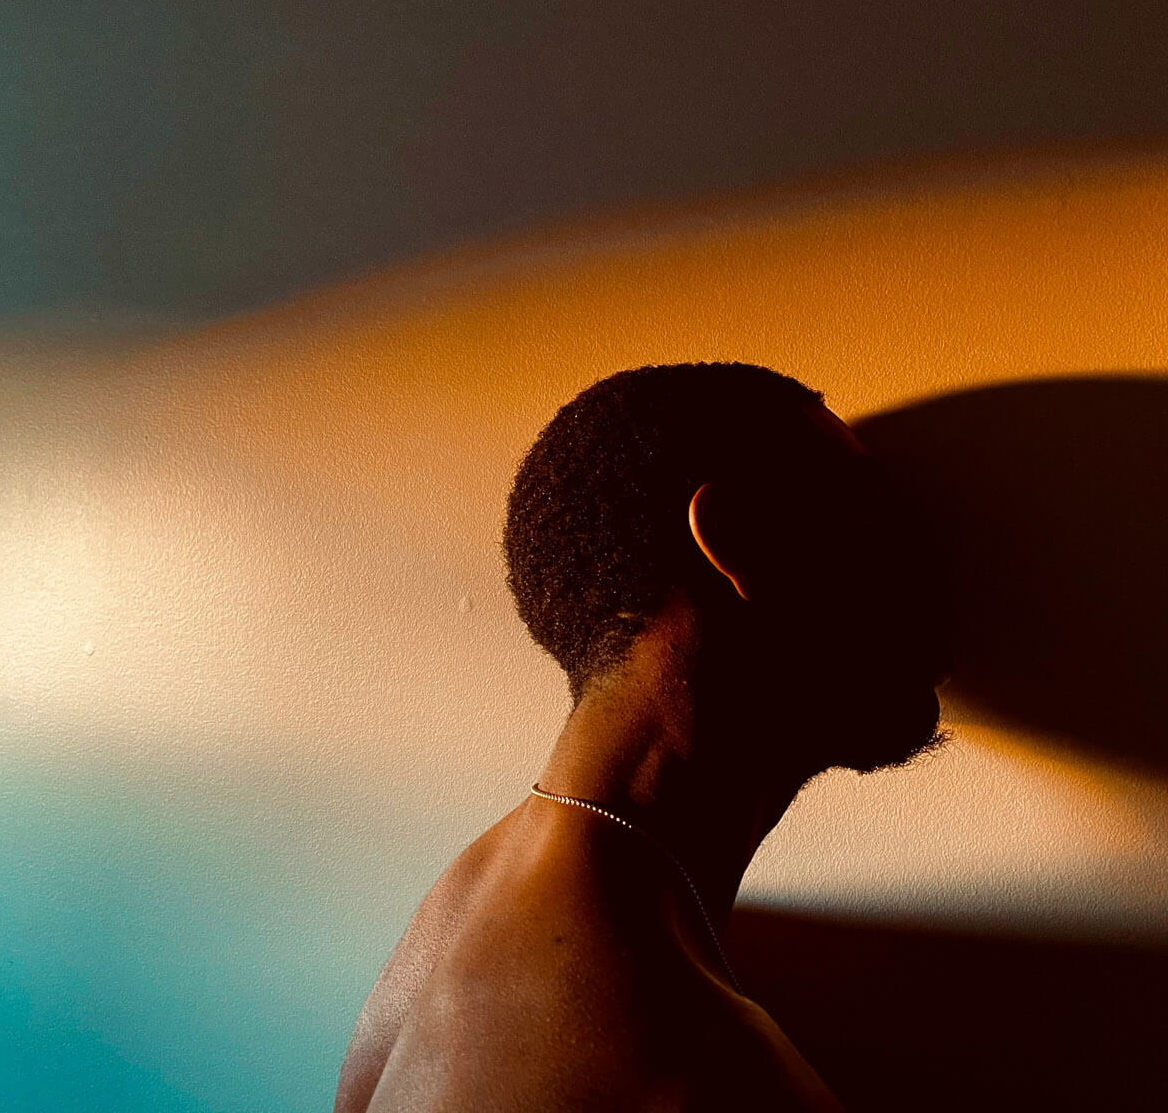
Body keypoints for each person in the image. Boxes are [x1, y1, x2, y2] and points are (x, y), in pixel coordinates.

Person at [334, 362, 955, 1112]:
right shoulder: (702, 1067)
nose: (933, 566)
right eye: (871, 516)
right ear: (737, 543)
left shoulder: (481, 896)